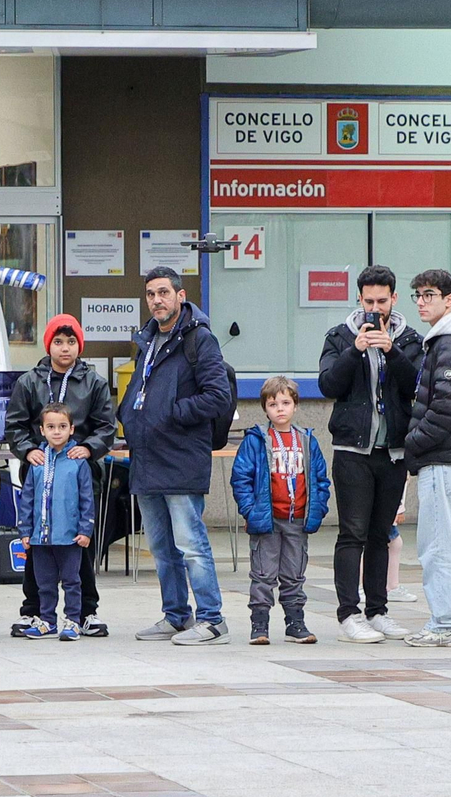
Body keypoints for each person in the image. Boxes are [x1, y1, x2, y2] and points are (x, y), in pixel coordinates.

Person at [120, 267, 233, 646]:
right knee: (161, 548)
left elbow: (218, 396)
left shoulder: (199, 339)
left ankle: (212, 619)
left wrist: (173, 412)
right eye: (151, 294)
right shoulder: (148, 340)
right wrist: (130, 421)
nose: (156, 300)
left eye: (164, 292)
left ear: (180, 296)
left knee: (191, 546)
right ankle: (175, 615)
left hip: (181, 458)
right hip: (147, 460)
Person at [318, 265, 421, 644]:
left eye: (382, 300)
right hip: (352, 450)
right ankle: (349, 613)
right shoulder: (340, 336)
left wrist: (392, 352)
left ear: (394, 299)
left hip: (392, 449)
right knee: (353, 533)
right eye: (368, 301)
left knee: (381, 532)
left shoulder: (410, 338)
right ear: (358, 300)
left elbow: (416, 385)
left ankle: (378, 610)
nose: (375, 309)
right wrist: (354, 350)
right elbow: (329, 384)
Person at [5, 315, 116, 638]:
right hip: (40, 473)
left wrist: (90, 448)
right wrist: (27, 450)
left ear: (79, 345)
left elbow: (106, 426)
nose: (64, 348)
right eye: (58, 341)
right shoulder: (30, 381)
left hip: (79, 473)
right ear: (48, 344)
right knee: (39, 546)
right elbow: (15, 425)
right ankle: (34, 612)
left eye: (70, 342)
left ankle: (85, 612)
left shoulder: (93, 382)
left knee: (78, 544)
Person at [402, 269, 451, 648]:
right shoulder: (448, 340)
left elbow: (446, 407)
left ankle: (449, 622)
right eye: (417, 294)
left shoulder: (449, 343)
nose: (421, 301)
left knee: (439, 544)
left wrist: (414, 443)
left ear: (449, 300)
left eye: (429, 294)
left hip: (443, 456)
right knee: (447, 542)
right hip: (447, 456)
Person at [229, 377, 328, 645]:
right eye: (273, 404)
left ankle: (295, 623)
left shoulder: (307, 440)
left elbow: (320, 478)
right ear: (265, 408)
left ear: (295, 405)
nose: (280, 409)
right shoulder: (256, 440)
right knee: (263, 574)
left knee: (294, 574)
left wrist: (318, 509)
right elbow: (241, 477)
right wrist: (250, 511)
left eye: (285, 403)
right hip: (267, 520)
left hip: (297, 519)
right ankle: (259, 625)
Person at [16, 404, 95, 641]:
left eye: (62, 427)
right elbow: (27, 497)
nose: (57, 432)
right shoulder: (37, 462)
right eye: (51, 427)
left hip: (69, 536)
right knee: (45, 583)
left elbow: (87, 498)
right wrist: (25, 531)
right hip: (41, 537)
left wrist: (85, 529)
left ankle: (73, 620)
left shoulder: (78, 461)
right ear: (42, 430)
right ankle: (47, 621)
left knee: (72, 581)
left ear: (72, 429)